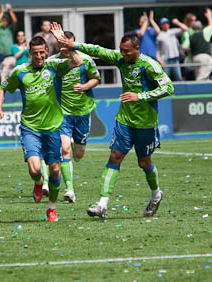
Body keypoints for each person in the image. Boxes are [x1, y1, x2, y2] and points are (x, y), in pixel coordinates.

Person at [52, 22, 174, 218]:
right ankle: (102, 204)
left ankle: (155, 194)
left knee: (144, 163)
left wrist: (139, 96)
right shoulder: (120, 59)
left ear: (137, 48)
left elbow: (169, 88)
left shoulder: (150, 65)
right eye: (121, 51)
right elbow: (98, 50)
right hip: (124, 120)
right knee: (115, 157)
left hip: (145, 123)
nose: (123, 55)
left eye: (127, 51)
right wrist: (73, 45)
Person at [0, 34, 83, 222]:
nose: (39, 56)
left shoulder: (54, 67)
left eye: (42, 52)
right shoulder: (20, 72)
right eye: (36, 53)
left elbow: (78, 62)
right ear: (29, 53)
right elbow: (2, 88)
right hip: (30, 128)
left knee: (55, 170)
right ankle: (38, 182)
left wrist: (69, 46)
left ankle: (51, 208)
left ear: (47, 52)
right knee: (35, 169)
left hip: (52, 128)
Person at [43, 31, 101, 203]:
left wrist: (84, 86)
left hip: (83, 112)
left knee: (78, 154)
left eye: (70, 44)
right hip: (62, 113)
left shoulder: (86, 59)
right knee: (64, 148)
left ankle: (76, 147)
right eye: (63, 43)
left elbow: (96, 79)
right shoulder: (52, 62)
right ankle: (70, 189)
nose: (66, 47)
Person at [183, 9, 212, 81]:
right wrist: (209, 16)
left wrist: (192, 49)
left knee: (199, 75)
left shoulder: (191, 35)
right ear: (201, 27)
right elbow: (211, 25)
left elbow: (184, 47)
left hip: (195, 58)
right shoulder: (205, 32)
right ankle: (200, 90)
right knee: (202, 77)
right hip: (205, 57)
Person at [156, 17, 185, 81]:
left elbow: (185, 28)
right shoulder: (159, 35)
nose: (166, 25)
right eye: (164, 24)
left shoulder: (173, 31)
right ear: (161, 25)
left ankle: (181, 91)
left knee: (179, 78)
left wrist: (177, 22)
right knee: (165, 79)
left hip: (175, 59)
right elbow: (157, 49)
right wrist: (159, 59)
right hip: (165, 60)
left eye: (167, 23)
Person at [0, 4, 18, 68]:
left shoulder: (10, 29)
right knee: (1, 72)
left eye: (6, 20)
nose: (4, 22)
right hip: (1, 54)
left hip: (10, 53)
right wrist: (2, 12)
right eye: (3, 20)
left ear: (8, 21)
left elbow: (15, 21)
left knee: (11, 72)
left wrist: (10, 11)